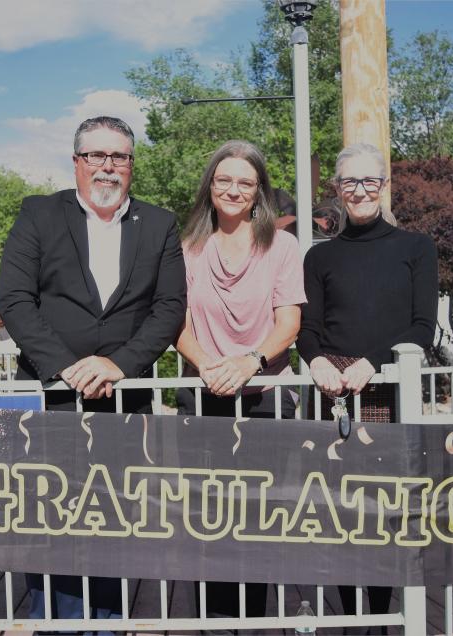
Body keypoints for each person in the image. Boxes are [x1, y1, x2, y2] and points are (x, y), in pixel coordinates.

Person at [0, 115, 186, 629]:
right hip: (50, 401)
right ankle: (54, 624)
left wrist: (118, 365)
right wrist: (65, 368)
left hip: (124, 404)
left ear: (131, 164)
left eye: (119, 156)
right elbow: (14, 298)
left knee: (113, 522)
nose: (108, 167)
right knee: (49, 522)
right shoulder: (38, 214)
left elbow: (169, 308)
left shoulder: (160, 224)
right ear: (77, 162)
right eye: (96, 156)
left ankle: (107, 624)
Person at [296, 142, 439, 631]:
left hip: (386, 393)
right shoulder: (319, 257)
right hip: (331, 395)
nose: (359, 190)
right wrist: (315, 360)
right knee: (338, 513)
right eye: (349, 182)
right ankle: (351, 617)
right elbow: (307, 328)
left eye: (369, 181)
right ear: (336, 189)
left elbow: (423, 329)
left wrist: (372, 365)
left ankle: (380, 618)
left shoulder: (416, 248)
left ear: (383, 184)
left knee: (384, 514)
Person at [174, 139, 306, 619]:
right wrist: (208, 364)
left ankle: (252, 625)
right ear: (210, 186)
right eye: (224, 180)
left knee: (255, 521)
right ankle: (215, 624)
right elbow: (177, 322)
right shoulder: (187, 248)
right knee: (209, 522)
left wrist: (251, 361)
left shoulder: (283, 245)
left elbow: (288, 322)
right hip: (203, 396)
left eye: (245, 183)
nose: (234, 190)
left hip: (266, 397)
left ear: (259, 192)